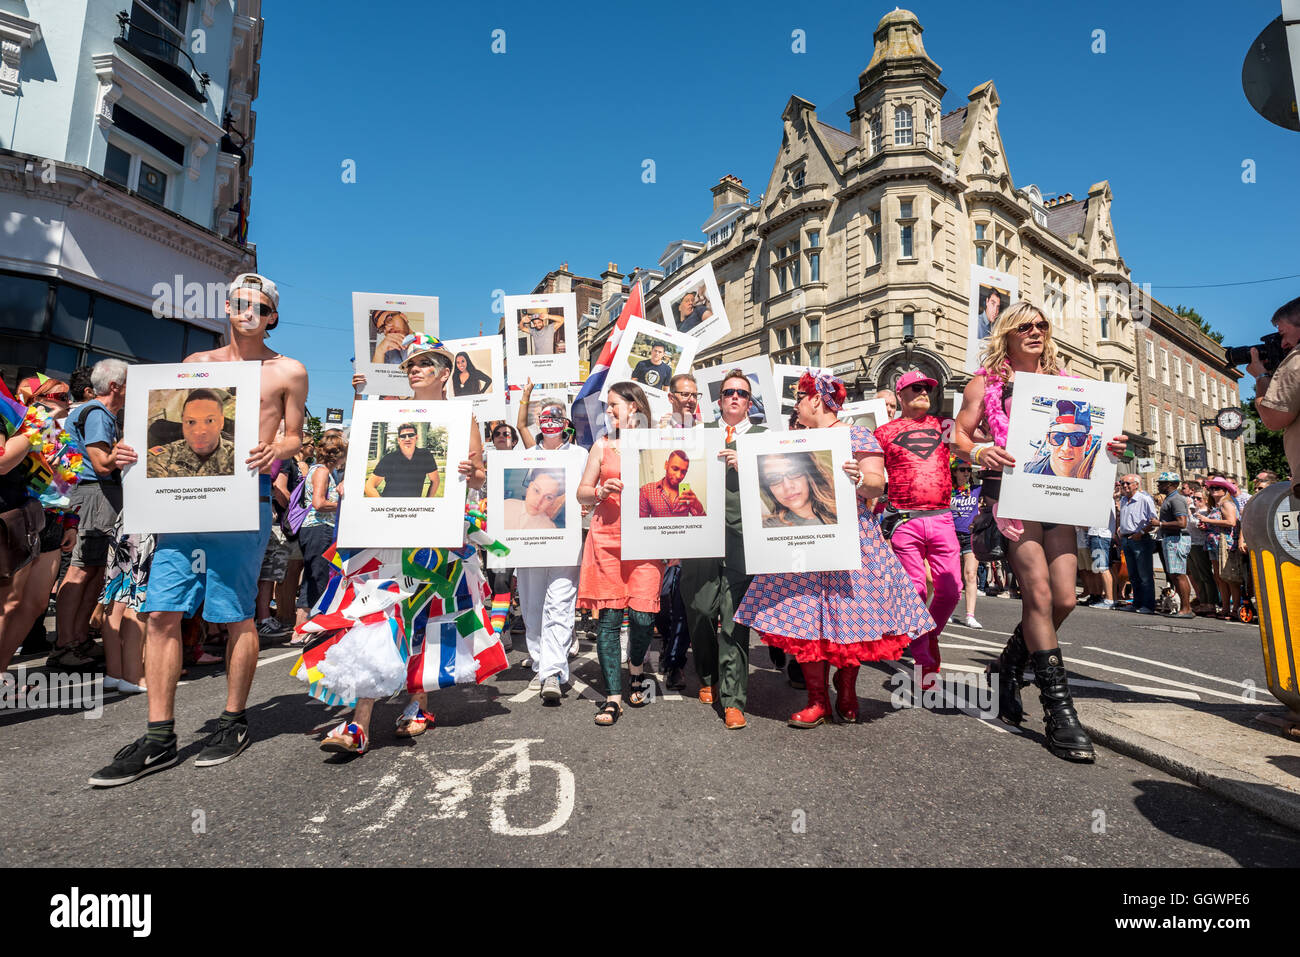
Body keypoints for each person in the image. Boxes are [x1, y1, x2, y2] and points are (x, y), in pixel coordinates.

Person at [90, 272, 309, 787]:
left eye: (256, 304)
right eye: (237, 302)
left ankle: (233, 721)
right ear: (227, 309)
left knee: (235, 614)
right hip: (182, 501)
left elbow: (295, 437)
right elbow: (160, 429)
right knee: (162, 610)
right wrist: (129, 453)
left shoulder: (288, 371)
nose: (244, 310)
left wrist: (275, 449)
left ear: (271, 315)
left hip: (242, 501)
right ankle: (159, 736)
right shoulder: (196, 366)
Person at [954, 301, 1128, 762]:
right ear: (1007, 333)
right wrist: (980, 452)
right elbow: (959, 436)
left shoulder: (1067, 383)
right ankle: (1059, 713)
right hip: (1012, 495)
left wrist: (1112, 442)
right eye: (1025, 326)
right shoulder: (985, 383)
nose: (1035, 331)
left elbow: (1094, 433)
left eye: (1042, 325)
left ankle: (1006, 667)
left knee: (1065, 599)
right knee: (1039, 597)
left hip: (1060, 495)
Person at [317, 334, 491, 753]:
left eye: (424, 363)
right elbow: (363, 463)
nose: (414, 369)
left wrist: (472, 471)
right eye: (410, 364)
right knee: (376, 614)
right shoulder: (389, 414)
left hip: (437, 538)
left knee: (425, 615)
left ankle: (417, 703)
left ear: (444, 372)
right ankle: (359, 722)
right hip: (386, 535)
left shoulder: (461, 417)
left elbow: (480, 474)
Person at [736, 371, 934, 728]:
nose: (795, 405)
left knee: (851, 618)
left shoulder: (856, 434)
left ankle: (846, 692)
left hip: (852, 540)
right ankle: (817, 700)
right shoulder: (795, 439)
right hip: (802, 541)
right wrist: (744, 464)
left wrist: (860, 477)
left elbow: (876, 485)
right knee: (807, 619)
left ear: (815, 399)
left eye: (799, 397)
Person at [679, 369, 767, 728]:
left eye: (742, 394)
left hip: (742, 536)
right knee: (699, 608)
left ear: (749, 402)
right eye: (729, 392)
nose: (734, 397)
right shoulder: (699, 435)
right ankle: (707, 674)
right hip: (701, 533)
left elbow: (777, 481)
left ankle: (733, 700)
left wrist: (745, 465)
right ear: (718, 400)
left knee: (733, 619)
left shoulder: (763, 437)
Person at [576, 382, 663, 726]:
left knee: (643, 617)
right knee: (609, 621)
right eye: (607, 406)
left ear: (635, 407)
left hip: (646, 543)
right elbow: (581, 494)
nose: (608, 411)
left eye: (614, 405)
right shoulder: (601, 446)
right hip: (607, 541)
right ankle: (613, 697)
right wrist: (598, 489)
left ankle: (636, 666)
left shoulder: (658, 444)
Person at [874, 369, 962, 679]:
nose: (923, 391)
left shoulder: (945, 426)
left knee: (951, 591)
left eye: (926, 387)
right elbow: (870, 473)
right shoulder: (883, 432)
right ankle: (925, 659)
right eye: (915, 388)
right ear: (901, 395)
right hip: (904, 522)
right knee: (913, 590)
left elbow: (972, 444)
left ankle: (927, 635)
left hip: (942, 519)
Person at [0, 376, 79, 678]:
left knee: (34, 605)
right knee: (10, 603)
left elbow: (67, 483)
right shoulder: (21, 426)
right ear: (38, 398)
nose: (67, 401)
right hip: (21, 517)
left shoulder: (63, 437)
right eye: (61, 395)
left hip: (53, 523)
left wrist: (71, 523)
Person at [51, 358, 127, 669]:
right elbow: (101, 463)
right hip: (93, 492)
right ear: (115, 386)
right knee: (82, 569)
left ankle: (77, 639)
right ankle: (66, 643)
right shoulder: (97, 413)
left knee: (93, 569)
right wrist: (126, 448)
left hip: (91, 493)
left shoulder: (91, 411)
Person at [512, 385, 583, 702]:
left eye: (557, 416)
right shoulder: (524, 456)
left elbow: (587, 492)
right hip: (529, 543)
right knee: (532, 605)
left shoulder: (580, 455)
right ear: (538, 421)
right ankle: (541, 661)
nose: (550, 421)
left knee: (560, 604)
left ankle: (553, 672)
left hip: (566, 544)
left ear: (566, 422)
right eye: (545, 416)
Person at [1251, 296, 1300, 495]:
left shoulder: (1297, 360)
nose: (1283, 344)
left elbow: (1273, 418)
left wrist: (1261, 376)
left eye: (1282, 333)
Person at [297, 430, 345, 614]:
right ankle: (302, 628)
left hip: (317, 528)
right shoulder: (322, 472)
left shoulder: (321, 471)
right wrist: (342, 505)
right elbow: (319, 503)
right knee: (316, 578)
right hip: (319, 528)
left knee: (315, 577)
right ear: (338, 455)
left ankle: (304, 625)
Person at [146, 389, 236, 478]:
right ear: (183, 422)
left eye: (209, 421)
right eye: (191, 422)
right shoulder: (163, 457)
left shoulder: (238, 456)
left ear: (221, 422)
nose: (199, 432)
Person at [1148, 471, 1193, 617]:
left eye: (1162, 483)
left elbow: (1182, 522)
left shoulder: (1176, 500)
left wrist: (1160, 523)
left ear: (1172, 484)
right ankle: (1184, 607)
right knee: (1173, 574)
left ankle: (1186, 608)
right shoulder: (1170, 498)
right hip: (1170, 538)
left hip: (1177, 539)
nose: (1159, 485)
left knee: (1179, 574)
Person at [1021, 400, 1102, 479]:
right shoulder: (1029, 473)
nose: (1066, 448)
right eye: (1058, 437)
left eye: (1076, 438)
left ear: (1088, 443)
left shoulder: (1099, 478)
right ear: (1048, 441)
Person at [1201, 476, 1243, 620]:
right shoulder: (1217, 505)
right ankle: (1225, 607)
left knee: (1230, 578)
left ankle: (1235, 608)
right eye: (1211, 488)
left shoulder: (1226, 504)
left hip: (1225, 544)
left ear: (1225, 490)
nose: (1213, 490)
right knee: (1219, 577)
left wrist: (1208, 520)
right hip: (1215, 544)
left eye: (1217, 488)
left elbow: (1231, 522)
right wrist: (1206, 525)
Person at [758, 451, 837, 527]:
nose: (787, 486)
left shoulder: (842, 506)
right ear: (768, 489)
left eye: (794, 472)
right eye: (773, 479)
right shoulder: (769, 527)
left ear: (809, 474)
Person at [1117, 475, 1158, 615]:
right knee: (1133, 575)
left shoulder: (1144, 499)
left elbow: (1153, 521)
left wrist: (1140, 532)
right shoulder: (1123, 499)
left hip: (1140, 539)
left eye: (1127, 483)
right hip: (1126, 539)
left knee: (1145, 575)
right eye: (1122, 483)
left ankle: (1148, 605)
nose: (1124, 486)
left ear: (1136, 484)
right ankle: (1137, 603)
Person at [365, 423, 440, 498]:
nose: (407, 439)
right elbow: (369, 486)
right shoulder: (389, 459)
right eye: (403, 436)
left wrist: (427, 502)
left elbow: (435, 480)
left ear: (416, 437)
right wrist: (383, 505)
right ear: (398, 440)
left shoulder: (425, 455)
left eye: (411, 435)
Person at [950, 462, 982, 627]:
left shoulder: (976, 490)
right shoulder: (948, 490)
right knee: (953, 577)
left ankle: (970, 615)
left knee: (970, 574)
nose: (967, 473)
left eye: (969, 470)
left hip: (970, 536)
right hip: (951, 536)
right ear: (954, 472)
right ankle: (948, 611)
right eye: (962, 470)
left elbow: (994, 485)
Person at [1185, 483, 1220, 615]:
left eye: (1199, 499)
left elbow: (1197, 525)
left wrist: (1189, 511)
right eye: (1194, 498)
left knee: (1205, 574)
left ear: (1205, 499)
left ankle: (1211, 602)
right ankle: (1203, 600)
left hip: (1200, 544)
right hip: (1191, 543)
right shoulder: (1197, 511)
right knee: (1196, 575)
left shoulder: (1207, 512)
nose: (1196, 501)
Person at [639, 450, 704, 518]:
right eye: (675, 469)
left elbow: (702, 522)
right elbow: (642, 523)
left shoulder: (686, 493)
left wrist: (698, 506)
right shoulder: (647, 490)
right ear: (666, 465)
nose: (679, 476)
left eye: (684, 472)